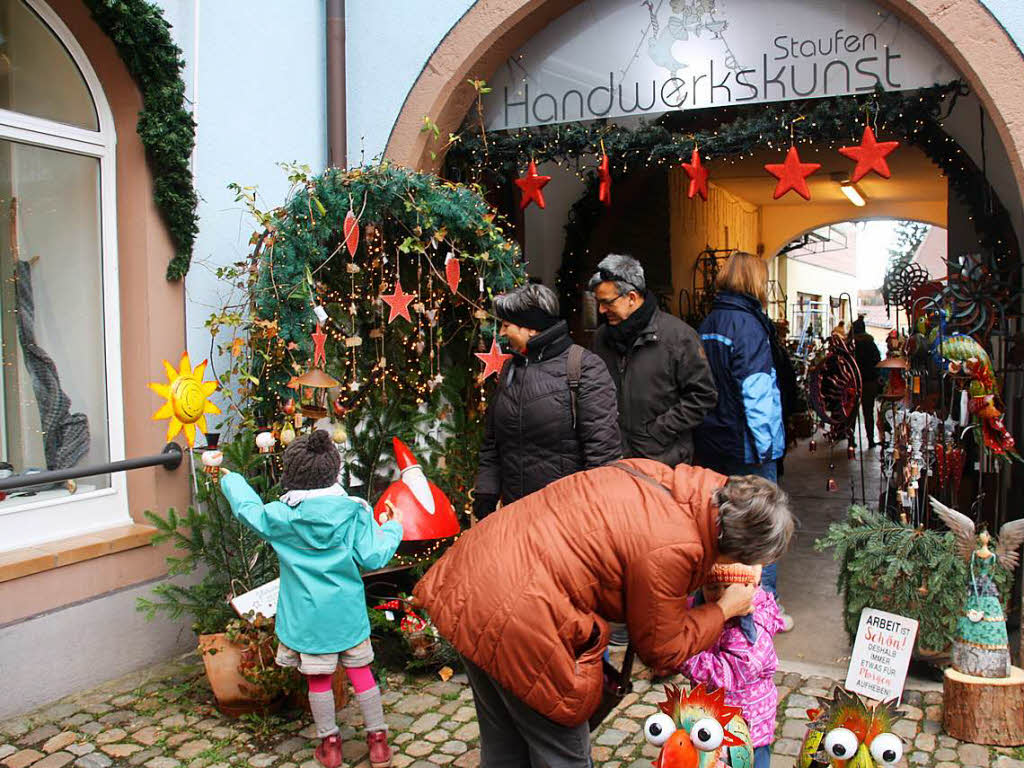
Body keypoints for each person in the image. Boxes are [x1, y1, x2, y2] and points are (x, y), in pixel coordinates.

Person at [413, 460, 796, 768]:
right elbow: (661, 648)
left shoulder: (674, 483)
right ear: (735, 550)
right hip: (519, 611)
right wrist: (724, 607)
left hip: (473, 578)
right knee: (563, 752)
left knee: (504, 748)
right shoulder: (675, 546)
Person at [220, 430, 403, 768]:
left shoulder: (281, 517)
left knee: (318, 678)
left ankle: (330, 745)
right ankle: (378, 742)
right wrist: (393, 527)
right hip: (346, 613)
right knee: (362, 672)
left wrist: (231, 480)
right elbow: (375, 556)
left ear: (291, 475)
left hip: (306, 616)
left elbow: (249, 510)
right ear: (335, 473)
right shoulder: (354, 513)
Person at [695, 251, 792, 631]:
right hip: (747, 445)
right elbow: (757, 391)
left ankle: (720, 601)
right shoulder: (750, 325)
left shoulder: (709, 322)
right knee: (762, 525)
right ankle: (763, 609)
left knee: (718, 524)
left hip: (711, 439)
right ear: (754, 281)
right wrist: (769, 447)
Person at [472, 283, 620, 519]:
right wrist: (486, 492)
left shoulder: (585, 368)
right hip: (514, 516)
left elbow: (602, 457)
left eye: (507, 325)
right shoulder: (511, 368)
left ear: (531, 329)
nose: (500, 332)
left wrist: (591, 518)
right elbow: (493, 442)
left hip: (565, 521)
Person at [589, 253, 718, 468]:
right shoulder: (601, 338)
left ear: (631, 298)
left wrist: (657, 432)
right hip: (613, 460)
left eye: (606, 302)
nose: (601, 310)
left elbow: (703, 396)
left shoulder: (679, 337)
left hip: (663, 460)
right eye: (598, 303)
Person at [679, 563, 783, 768]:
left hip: (748, 727)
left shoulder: (752, 628)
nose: (720, 595)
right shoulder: (702, 610)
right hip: (713, 719)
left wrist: (683, 655)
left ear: (746, 586)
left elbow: (728, 675)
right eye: (712, 588)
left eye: (727, 587)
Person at [851, 317, 882, 448]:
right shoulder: (870, 343)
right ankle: (870, 439)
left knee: (851, 413)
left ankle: (850, 441)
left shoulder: (851, 345)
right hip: (869, 382)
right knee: (868, 412)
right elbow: (878, 360)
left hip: (853, 383)